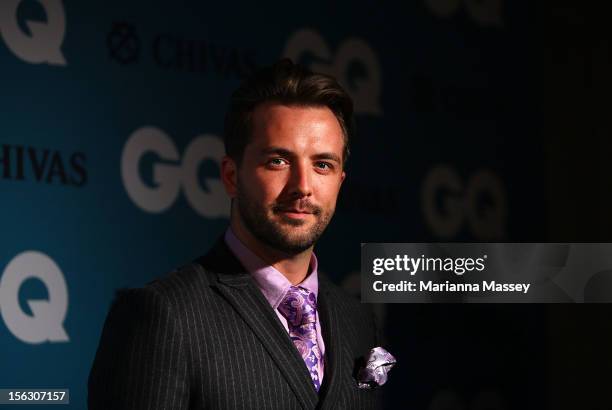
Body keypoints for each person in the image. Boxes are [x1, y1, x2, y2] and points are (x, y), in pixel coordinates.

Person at [88, 59, 387, 409]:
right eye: (278, 161)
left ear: (339, 182)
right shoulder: (163, 314)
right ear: (231, 176)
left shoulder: (357, 320)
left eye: (322, 165)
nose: (303, 186)